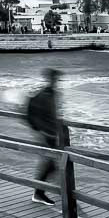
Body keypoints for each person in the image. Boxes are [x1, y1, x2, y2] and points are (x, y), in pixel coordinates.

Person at [27, 68, 62, 205]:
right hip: (45, 135)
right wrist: (39, 132)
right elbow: (30, 115)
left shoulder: (54, 94)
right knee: (51, 164)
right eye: (55, 79)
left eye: (58, 80)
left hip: (53, 135)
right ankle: (39, 193)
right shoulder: (42, 95)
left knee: (52, 165)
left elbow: (54, 115)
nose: (57, 82)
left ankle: (41, 192)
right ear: (49, 79)